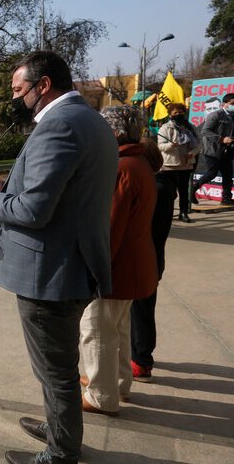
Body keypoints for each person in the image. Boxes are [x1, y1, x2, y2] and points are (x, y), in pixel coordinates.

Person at [0, 51, 117, 464]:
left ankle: (60, 453)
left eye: (18, 89)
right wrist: (2, 184)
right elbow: (58, 195)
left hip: (51, 274)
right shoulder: (88, 120)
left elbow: (34, 211)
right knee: (57, 367)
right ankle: (59, 427)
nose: (16, 97)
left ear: (42, 85)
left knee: (55, 371)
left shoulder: (59, 126)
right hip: (67, 265)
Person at [79, 106, 158, 417]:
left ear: (112, 134)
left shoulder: (120, 167)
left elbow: (108, 228)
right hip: (131, 267)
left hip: (114, 270)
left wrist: (91, 271)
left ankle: (101, 395)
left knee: (96, 330)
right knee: (118, 330)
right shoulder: (137, 162)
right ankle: (118, 384)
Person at [131, 139, 176, 384]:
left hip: (145, 259)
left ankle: (141, 360)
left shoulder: (156, 189)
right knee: (140, 310)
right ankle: (139, 354)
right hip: (152, 258)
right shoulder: (161, 185)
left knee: (141, 311)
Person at [192, 92, 234, 205]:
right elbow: (205, 131)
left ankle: (226, 198)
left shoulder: (232, 116)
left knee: (228, 175)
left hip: (227, 150)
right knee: (212, 173)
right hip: (213, 150)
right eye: (232, 103)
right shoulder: (215, 115)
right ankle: (193, 189)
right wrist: (221, 139)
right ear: (224, 103)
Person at [158, 103, 200, 223]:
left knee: (183, 190)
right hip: (170, 165)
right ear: (170, 114)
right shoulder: (165, 128)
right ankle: (168, 213)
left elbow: (199, 144)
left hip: (186, 163)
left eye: (181, 112)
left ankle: (183, 212)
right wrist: (171, 145)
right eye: (175, 112)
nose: (178, 114)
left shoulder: (191, 127)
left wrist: (193, 152)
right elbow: (160, 146)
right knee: (170, 192)